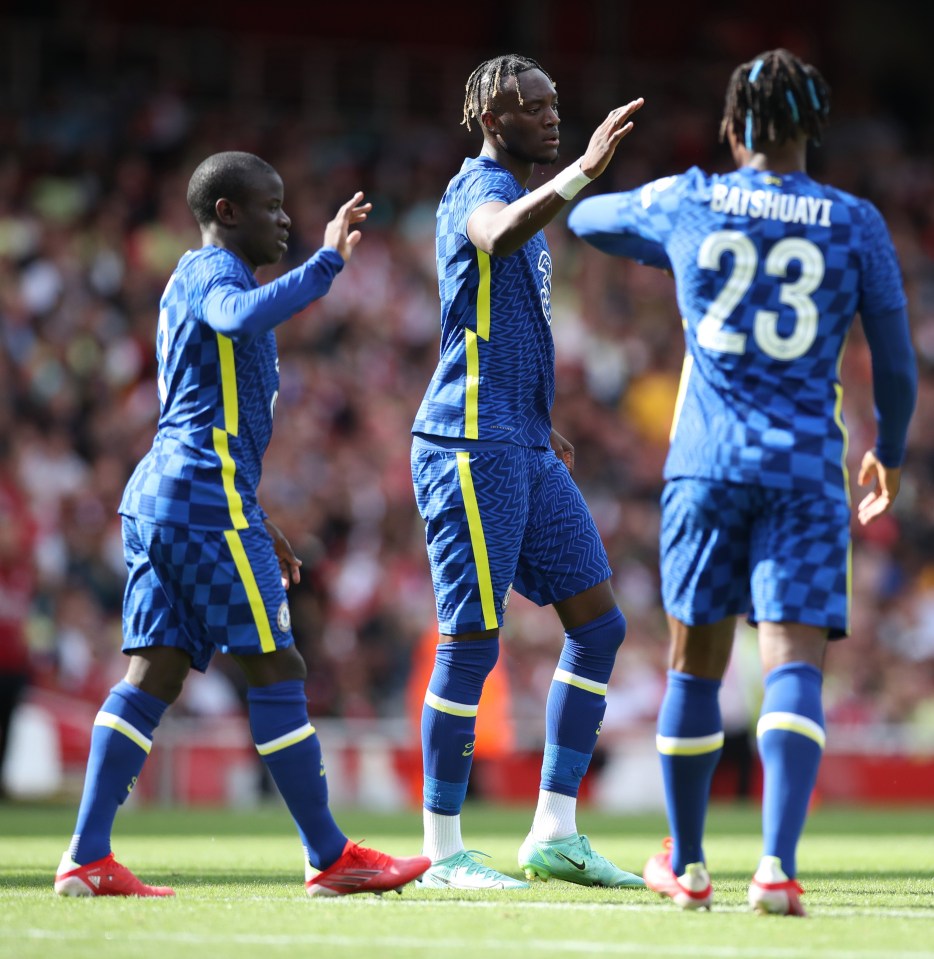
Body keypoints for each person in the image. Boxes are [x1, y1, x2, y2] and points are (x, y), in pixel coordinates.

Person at [568, 49, 917, 916]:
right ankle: (776, 867)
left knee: (696, 669)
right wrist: (894, 447)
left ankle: (687, 866)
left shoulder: (689, 198)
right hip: (804, 470)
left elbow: (587, 222)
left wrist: (659, 233)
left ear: (731, 129)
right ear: (814, 129)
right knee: (792, 663)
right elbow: (898, 365)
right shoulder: (854, 221)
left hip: (706, 466)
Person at [54, 151, 430, 898]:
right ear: (227, 213)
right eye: (271, 205)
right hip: (199, 498)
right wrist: (327, 263)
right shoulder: (211, 275)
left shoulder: (201, 279)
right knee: (275, 665)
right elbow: (236, 318)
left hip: (176, 497)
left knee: (154, 672)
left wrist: (260, 517)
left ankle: (87, 856)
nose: (285, 218)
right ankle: (329, 853)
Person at [410, 53, 646, 890]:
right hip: (468, 441)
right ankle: (441, 852)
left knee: (601, 624)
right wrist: (583, 170)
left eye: (555, 105)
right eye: (534, 106)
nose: (552, 116)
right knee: (472, 637)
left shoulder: (524, 207)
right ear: (489, 115)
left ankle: (554, 829)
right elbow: (494, 234)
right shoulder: (476, 191)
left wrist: (542, 423)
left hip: (523, 441)